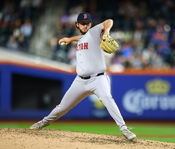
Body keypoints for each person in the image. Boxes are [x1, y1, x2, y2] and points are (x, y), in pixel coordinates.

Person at [30, 12, 136, 140]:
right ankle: (43, 123)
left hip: (98, 79)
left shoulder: (95, 31)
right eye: (83, 24)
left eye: (88, 23)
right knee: (63, 107)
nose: (86, 26)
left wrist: (106, 31)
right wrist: (69, 39)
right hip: (80, 81)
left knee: (107, 98)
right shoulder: (82, 38)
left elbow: (109, 21)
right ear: (77, 24)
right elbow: (80, 38)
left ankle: (124, 129)